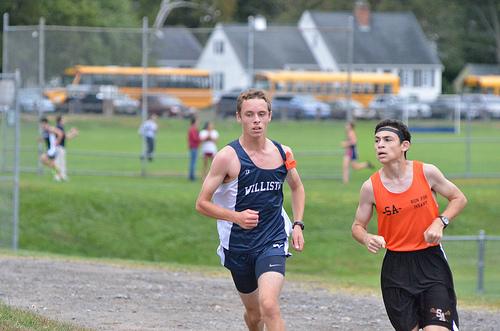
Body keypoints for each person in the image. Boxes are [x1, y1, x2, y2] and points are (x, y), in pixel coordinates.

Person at [195, 89, 305, 331]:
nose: (256, 120)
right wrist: (236, 217)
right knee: (254, 315)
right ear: (239, 117)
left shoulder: (283, 153)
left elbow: (297, 187)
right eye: (250, 114)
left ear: (269, 117)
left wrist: (298, 224)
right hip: (239, 245)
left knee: (269, 305)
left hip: (272, 239)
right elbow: (201, 203)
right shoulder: (227, 157)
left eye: (261, 114)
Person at [351, 119, 467, 331]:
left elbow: (459, 198)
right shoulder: (370, 187)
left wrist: (440, 222)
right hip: (396, 268)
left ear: (405, 146)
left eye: (387, 140)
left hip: (431, 262)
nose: (380, 145)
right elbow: (357, 226)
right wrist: (367, 238)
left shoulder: (427, 172)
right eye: (377, 141)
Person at [55, 115, 79, 181]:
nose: (64, 120)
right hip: (59, 147)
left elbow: (64, 136)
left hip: (59, 147)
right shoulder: (59, 127)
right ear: (60, 120)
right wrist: (74, 133)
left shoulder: (59, 127)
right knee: (59, 163)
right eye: (63, 119)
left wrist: (72, 132)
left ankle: (61, 176)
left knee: (60, 162)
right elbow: (67, 137)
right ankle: (59, 176)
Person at [39, 117, 64, 181]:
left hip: (52, 149)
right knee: (51, 163)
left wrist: (57, 142)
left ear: (45, 123)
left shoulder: (50, 129)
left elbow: (60, 133)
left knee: (42, 158)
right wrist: (41, 139)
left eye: (42, 124)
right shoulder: (45, 131)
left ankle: (58, 173)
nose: (41, 126)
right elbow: (46, 138)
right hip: (49, 149)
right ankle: (59, 174)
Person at [187, 117, 200, 181]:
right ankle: (192, 176)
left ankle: (191, 175)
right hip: (193, 147)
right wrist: (201, 138)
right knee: (193, 162)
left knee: (193, 162)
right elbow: (195, 138)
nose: (198, 123)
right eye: (197, 121)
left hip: (194, 147)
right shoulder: (192, 129)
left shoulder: (192, 129)